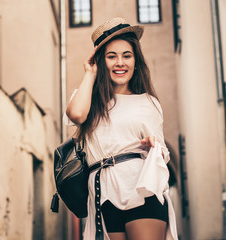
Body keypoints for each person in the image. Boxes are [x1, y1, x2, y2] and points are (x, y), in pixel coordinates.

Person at [65, 17, 178, 240]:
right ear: (100, 61)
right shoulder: (87, 100)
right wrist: (89, 73)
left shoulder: (149, 102)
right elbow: (76, 115)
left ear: (136, 61)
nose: (120, 63)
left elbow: (163, 153)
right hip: (103, 195)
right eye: (111, 56)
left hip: (142, 189)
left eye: (127, 55)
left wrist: (153, 144)